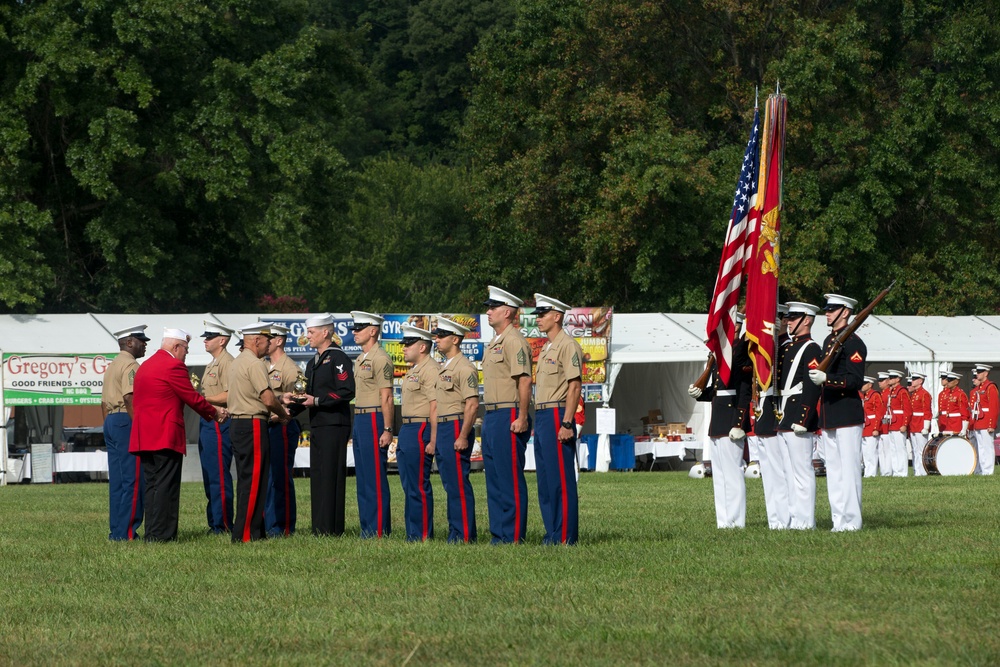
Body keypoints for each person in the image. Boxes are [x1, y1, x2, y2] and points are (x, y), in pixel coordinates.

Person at [130, 329, 224, 542]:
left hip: (144, 435)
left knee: (152, 485)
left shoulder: (146, 366)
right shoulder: (173, 365)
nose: (186, 354)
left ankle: (152, 532)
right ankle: (164, 534)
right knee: (167, 486)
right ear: (176, 347)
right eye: (186, 349)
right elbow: (190, 396)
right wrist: (214, 412)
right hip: (165, 434)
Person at [283, 313, 355, 536]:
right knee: (319, 475)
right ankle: (320, 527)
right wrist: (287, 409)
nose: (307, 337)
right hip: (318, 424)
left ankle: (332, 528)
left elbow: (347, 391)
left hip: (334, 424)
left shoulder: (337, 358)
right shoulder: (314, 361)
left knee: (331, 475)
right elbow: (308, 396)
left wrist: (318, 401)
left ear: (326, 332)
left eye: (311, 332)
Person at [809, 293, 867, 532]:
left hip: (847, 413)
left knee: (849, 470)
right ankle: (838, 520)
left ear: (845, 312)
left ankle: (852, 521)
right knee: (833, 471)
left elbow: (854, 380)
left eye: (832, 310)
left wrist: (827, 379)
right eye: (827, 310)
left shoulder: (854, 343)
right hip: (830, 414)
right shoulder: (827, 341)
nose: (827, 313)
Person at [228, 323, 290, 543]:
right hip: (252, 423)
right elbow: (266, 398)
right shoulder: (255, 364)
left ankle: (254, 530)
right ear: (256, 340)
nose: (269, 344)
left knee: (247, 479)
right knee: (254, 480)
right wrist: (282, 414)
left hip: (238, 424)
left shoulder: (236, 363)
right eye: (266, 340)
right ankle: (245, 533)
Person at [689, 314, 752, 529]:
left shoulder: (741, 351)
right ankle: (724, 521)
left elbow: (744, 391)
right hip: (717, 419)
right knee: (720, 476)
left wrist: (738, 423)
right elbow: (718, 389)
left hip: (731, 418)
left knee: (733, 474)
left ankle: (736, 521)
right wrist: (700, 393)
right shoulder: (719, 352)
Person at [531, 293, 584, 545]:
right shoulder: (546, 349)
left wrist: (566, 422)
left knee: (561, 479)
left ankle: (565, 536)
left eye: (543, 314)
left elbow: (574, 386)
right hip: (542, 414)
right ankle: (552, 532)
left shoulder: (567, 345)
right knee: (545, 480)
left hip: (557, 413)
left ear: (557, 316)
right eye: (538, 315)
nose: (538, 319)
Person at [482, 285, 533, 544]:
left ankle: (512, 535)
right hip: (492, 414)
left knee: (509, 478)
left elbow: (524, 381)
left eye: (493, 308)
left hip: (508, 412)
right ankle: (498, 533)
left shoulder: (514, 341)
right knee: (494, 479)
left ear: (507, 312)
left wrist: (522, 417)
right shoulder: (495, 343)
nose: (488, 312)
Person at [775, 302, 823, 530]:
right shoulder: (787, 347)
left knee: (801, 472)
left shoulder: (812, 348)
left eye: (793, 317)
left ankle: (805, 521)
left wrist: (803, 418)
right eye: (788, 317)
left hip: (797, 416)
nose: (788, 321)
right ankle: (795, 519)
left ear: (806, 319)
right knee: (788, 472)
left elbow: (812, 386)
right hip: (784, 414)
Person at [432, 317, 480, 543]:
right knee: (450, 483)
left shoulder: (464, 367)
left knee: (458, 483)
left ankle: (465, 534)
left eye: (441, 336)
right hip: (443, 426)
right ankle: (455, 531)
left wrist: (462, 435)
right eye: (437, 335)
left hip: (455, 425)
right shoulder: (445, 367)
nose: (437, 339)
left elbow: (471, 404)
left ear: (456, 339)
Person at [103, 325, 149, 541]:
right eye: (141, 340)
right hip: (126, 419)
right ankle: (127, 532)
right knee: (134, 479)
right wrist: (138, 425)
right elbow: (130, 397)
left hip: (112, 419)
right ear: (129, 342)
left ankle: (117, 530)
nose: (145, 344)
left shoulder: (112, 364)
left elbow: (103, 402)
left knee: (118, 481)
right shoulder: (131, 365)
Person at [350, 311, 394, 538]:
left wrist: (387, 429)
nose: (354, 332)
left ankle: (378, 529)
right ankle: (366, 527)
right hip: (360, 417)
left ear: (373, 331)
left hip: (375, 418)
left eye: (360, 328)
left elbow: (386, 397)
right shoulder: (360, 359)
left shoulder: (380, 358)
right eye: (354, 328)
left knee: (375, 477)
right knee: (363, 476)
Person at [397, 324, 439, 541]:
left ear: (422, 347)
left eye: (409, 344)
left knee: (418, 485)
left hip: (421, 427)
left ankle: (422, 534)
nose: (404, 348)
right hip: (408, 427)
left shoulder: (431, 369)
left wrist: (433, 438)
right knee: (408, 484)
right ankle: (412, 532)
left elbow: (434, 405)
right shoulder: (414, 370)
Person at [263, 323, 303, 536]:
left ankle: (284, 526)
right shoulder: (263, 365)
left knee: (280, 476)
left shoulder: (290, 368)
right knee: (268, 477)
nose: (265, 342)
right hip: (266, 426)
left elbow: (298, 399)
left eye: (270, 338)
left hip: (282, 427)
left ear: (279, 341)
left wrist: (285, 415)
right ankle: (269, 523)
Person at [197, 321, 235, 534]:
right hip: (208, 421)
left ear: (222, 340)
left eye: (209, 337)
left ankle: (223, 523)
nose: (205, 340)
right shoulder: (213, 363)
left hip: (220, 421)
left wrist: (203, 399)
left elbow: (230, 394)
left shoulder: (227, 362)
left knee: (219, 475)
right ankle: (214, 522)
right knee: (210, 474)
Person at [882, 370, 912, 476]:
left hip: (899, 423)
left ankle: (903, 471)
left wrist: (904, 424)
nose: (890, 379)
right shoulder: (892, 391)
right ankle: (896, 471)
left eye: (892, 377)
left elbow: (907, 410)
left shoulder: (902, 391)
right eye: (889, 377)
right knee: (893, 449)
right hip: (892, 422)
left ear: (898, 379)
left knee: (900, 449)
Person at [969, 364, 997, 475]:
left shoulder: (990, 387)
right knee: (981, 447)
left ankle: (988, 471)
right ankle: (982, 470)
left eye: (980, 372)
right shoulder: (979, 388)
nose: (977, 374)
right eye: (977, 372)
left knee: (987, 447)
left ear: (986, 373)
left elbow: (993, 407)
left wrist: (991, 424)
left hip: (986, 421)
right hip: (979, 421)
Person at [907, 372, 933, 476]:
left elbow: (927, 411)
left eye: (914, 379)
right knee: (914, 449)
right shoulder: (914, 394)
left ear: (920, 381)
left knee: (921, 450)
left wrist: (926, 426)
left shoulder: (924, 394)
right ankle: (917, 471)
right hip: (914, 424)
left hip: (920, 424)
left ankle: (922, 472)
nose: (912, 381)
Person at [861, 376, 884, 478]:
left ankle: (872, 472)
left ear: (870, 385)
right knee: (866, 452)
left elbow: (879, 412)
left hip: (872, 425)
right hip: (866, 426)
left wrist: (876, 428)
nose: (862, 385)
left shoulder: (875, 395)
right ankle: (867, 471)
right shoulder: (865, 396)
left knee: (871, 451)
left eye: (864, 383)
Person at [937, 371, 969, 436]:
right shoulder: (949, 394)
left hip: (957, 423)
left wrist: (964, 428)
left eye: (950, 380)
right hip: (948, 423)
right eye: (947, 380)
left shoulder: (960, 394)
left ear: (956, 382)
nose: (948, 382)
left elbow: (964, 413)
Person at [875, 372, 892, 476]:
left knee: (887, 449)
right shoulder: (881, 394)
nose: (879, 383)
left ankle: (888, 470)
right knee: (881, 449)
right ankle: (884, 470)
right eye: (879, 381)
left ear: (887, 381)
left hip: (887, 423)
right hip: (882, 423)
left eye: (882, 381)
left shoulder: (889, 393)